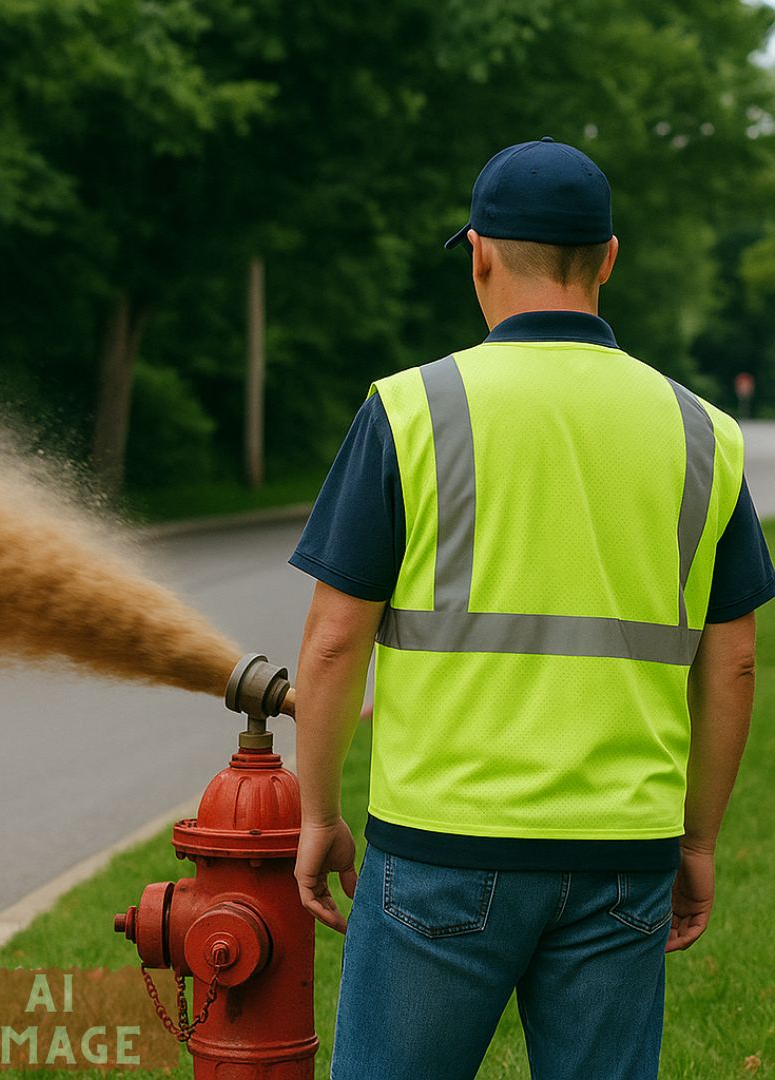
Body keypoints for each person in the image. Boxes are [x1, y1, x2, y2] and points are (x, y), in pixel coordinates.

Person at [287, 137, 775, 1080]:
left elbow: (334, 643)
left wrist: (320, 815)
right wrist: (699, 838)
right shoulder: (704, 433)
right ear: (609, 259)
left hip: (440, 848)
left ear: (478, 254)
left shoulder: (408, 410)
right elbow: (737, 663)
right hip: (623, 853)